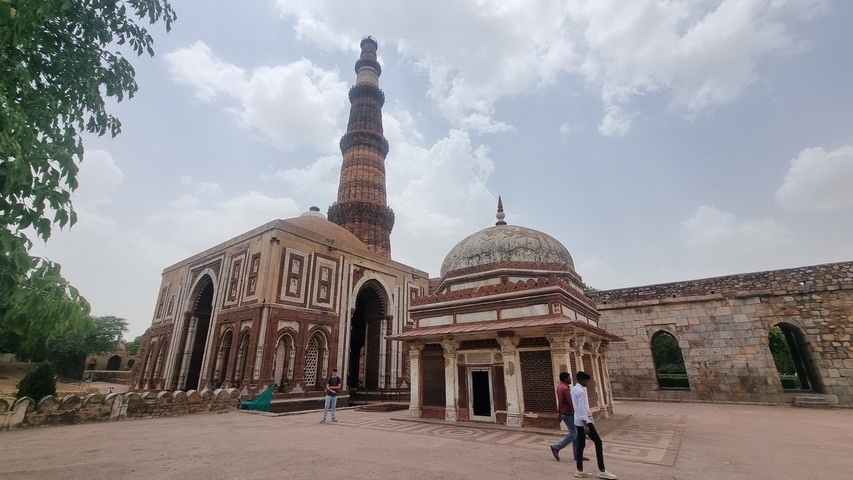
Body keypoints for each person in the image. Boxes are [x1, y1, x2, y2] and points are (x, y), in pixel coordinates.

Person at [572, 371, 617, 479]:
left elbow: (577, 407)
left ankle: (579, 470)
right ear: (582, 380)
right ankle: (602, 470)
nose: (588, 383)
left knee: (581, 444)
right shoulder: (581, 391)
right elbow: (582, 408)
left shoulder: (574, 389)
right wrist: (586, 425)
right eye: (587, 380)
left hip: (577, 420)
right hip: (584, 421)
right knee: (598, 442)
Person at [550, 372, 579, 461]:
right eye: (569, 378)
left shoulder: (559, 387)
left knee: (576, 433)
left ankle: (577, 454)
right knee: (573, 433)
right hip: (569, 413)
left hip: (564, 412)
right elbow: (570, 402)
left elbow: (560, 402)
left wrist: (559, 413)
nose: (570, 379)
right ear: (565, 379)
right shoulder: (565, 389)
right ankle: (556, 447)